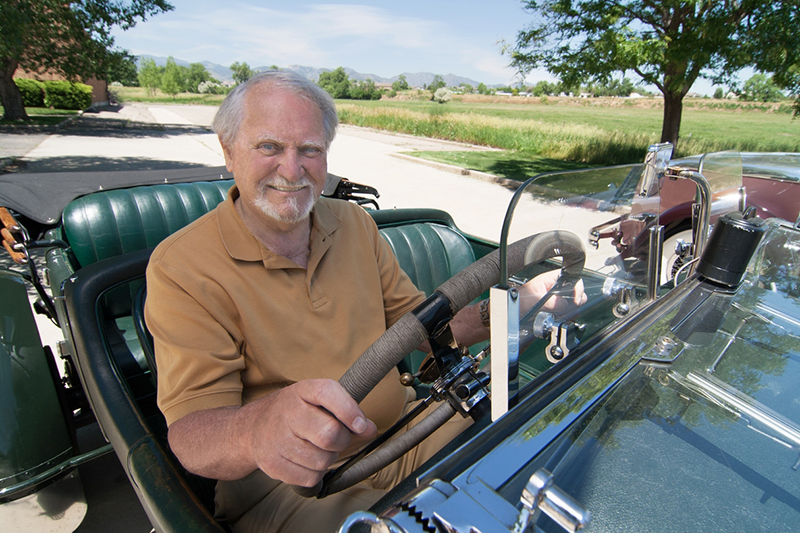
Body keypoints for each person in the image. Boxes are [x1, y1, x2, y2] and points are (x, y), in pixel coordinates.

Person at [144, 70, 585, 533]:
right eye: (269, 147)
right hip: (291, 485)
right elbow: (192, 436)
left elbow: (431, 325)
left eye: (310, 150)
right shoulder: (182, 267)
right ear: (228, 149)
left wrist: (524, 302)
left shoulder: (354, 224)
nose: (292, 170)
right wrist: (256, 431)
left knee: (542, 443)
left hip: (403, 432)